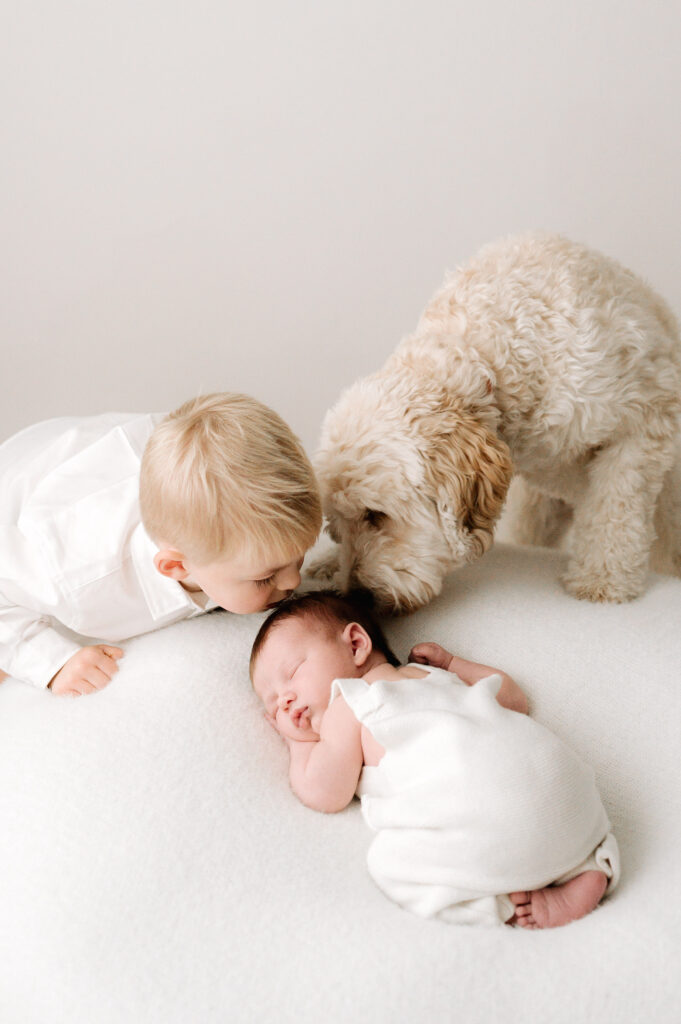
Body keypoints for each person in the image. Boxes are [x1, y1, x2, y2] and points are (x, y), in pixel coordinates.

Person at [250, 590, 620, 929]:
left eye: (292, 674)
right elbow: (513, 699)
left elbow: (325, 792)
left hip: (493, 825)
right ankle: (587, 867)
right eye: (272, 703)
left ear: (356, 644)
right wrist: (455, 663)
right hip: (569, 793)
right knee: (545, 803)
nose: (284, 700)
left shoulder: (350, 702)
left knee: (389, 866)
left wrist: (296, 742)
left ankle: (503, 902)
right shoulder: (432, 676)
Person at [0, 393, 321, 696]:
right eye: (265, 577)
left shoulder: (200, 493)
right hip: (17, 482)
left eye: (301, 553)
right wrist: (52, 662)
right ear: (176, 566)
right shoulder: (81, 574)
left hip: (101, 448)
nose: (293, 581)